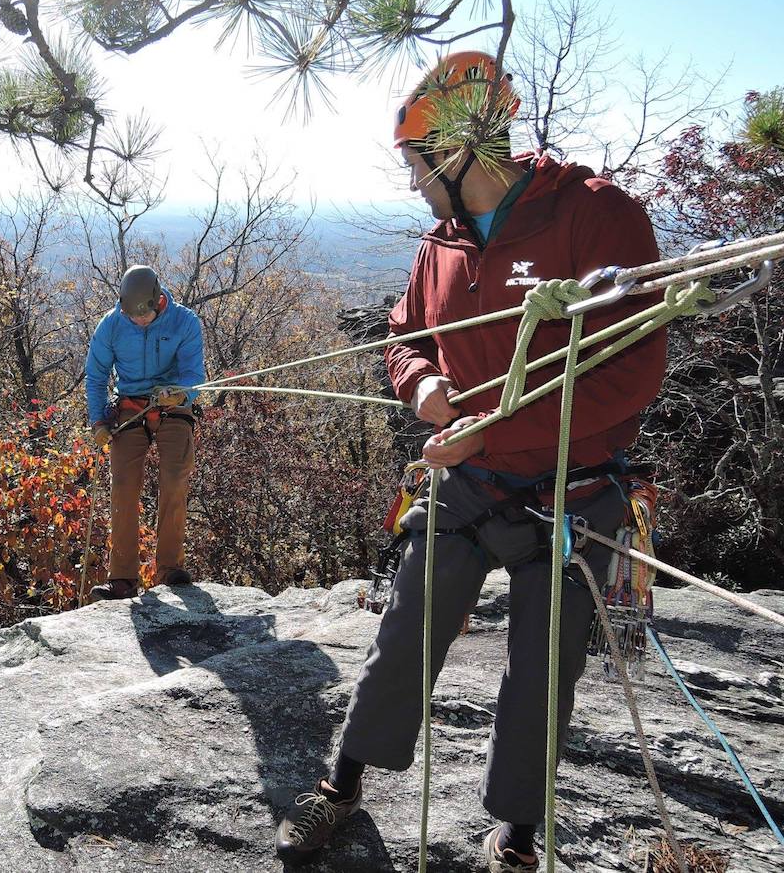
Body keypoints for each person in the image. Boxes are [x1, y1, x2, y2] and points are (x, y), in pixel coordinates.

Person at [275, 51, 667, 872]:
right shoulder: (442, 245)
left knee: (542, 674)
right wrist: (422, 388)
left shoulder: (594, 217)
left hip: (572, 490)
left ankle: (518, 834)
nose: (412, 179)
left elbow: (633, 371)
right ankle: (343, 785)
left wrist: (487, 429)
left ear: (457, 154)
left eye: (418, 162)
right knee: (404, 636)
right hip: (468, 486)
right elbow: (406, 334)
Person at [85, 265, 206, 601]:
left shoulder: (184, 322)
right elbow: (95, 377)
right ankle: (122, 578)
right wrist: (98, 422)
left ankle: (170, 569)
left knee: (175, 476)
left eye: (146, 314)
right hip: (130, 406)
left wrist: (180, 392)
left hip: (173, 405)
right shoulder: (111, 326)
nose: (139, 320)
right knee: (123, 484)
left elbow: (194, 375)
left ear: (159, 299)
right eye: (132, 315)